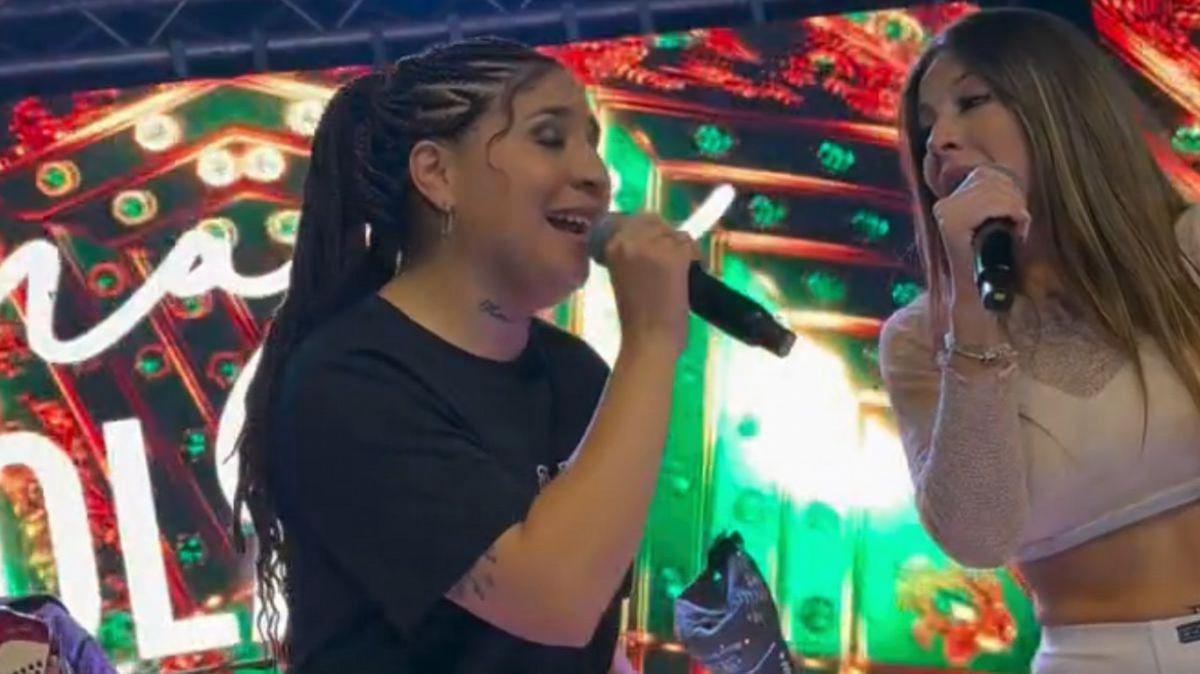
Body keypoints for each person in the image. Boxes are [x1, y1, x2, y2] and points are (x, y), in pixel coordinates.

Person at [230, 38, 695, 673]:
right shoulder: (350, 380)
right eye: (550, 138)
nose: (595, 174)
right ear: (438, 174)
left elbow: (587, 638)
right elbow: (555, 598)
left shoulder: (575, 374)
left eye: (591, 143)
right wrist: (653, 337)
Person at [879, 9, 1200, 673]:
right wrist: (973, 312)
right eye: (925, 127)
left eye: (972, 102)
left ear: (1058, 106)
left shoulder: (1187, 251)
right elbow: (978, 534)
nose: (940, 140)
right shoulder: (920, 338)